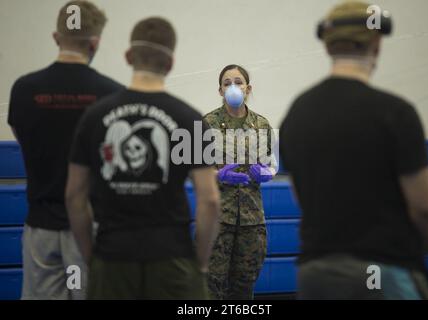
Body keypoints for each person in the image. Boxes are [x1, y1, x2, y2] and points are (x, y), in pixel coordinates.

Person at [280, 1, 428, 300]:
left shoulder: (297, 113)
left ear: (328, 47)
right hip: (381, 272)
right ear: (377, 45)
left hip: (316, 275)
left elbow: (304, 198)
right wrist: (414, 254)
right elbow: (426, 208)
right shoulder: (395, 112)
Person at [66, 16, 221, 299]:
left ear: (128, 56)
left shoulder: (94, 117)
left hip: (112, 255)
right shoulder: (192, 120)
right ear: (171, 64)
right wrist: (200, 262)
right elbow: (210, 200)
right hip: (172, 257)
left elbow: (74, 196)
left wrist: (92, 257)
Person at [7, 0, 123, 300]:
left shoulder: (23, 89)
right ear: (95, 42)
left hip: (42, 227)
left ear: (56, 38)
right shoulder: (112, 94)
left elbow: (27, 144)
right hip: (92, 227)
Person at [203, 64, 277, 300]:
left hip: (251, 219)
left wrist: (267, 173)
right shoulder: (207, 123)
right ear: (220, 90)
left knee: (244, 286)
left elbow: (272, 164)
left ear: (248, 88)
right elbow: (192, 170)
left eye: (238, 82)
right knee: (211, 286)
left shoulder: (262, 125)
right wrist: (218, 175)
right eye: (227, 83)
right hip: (217, 218)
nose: (233, 87)